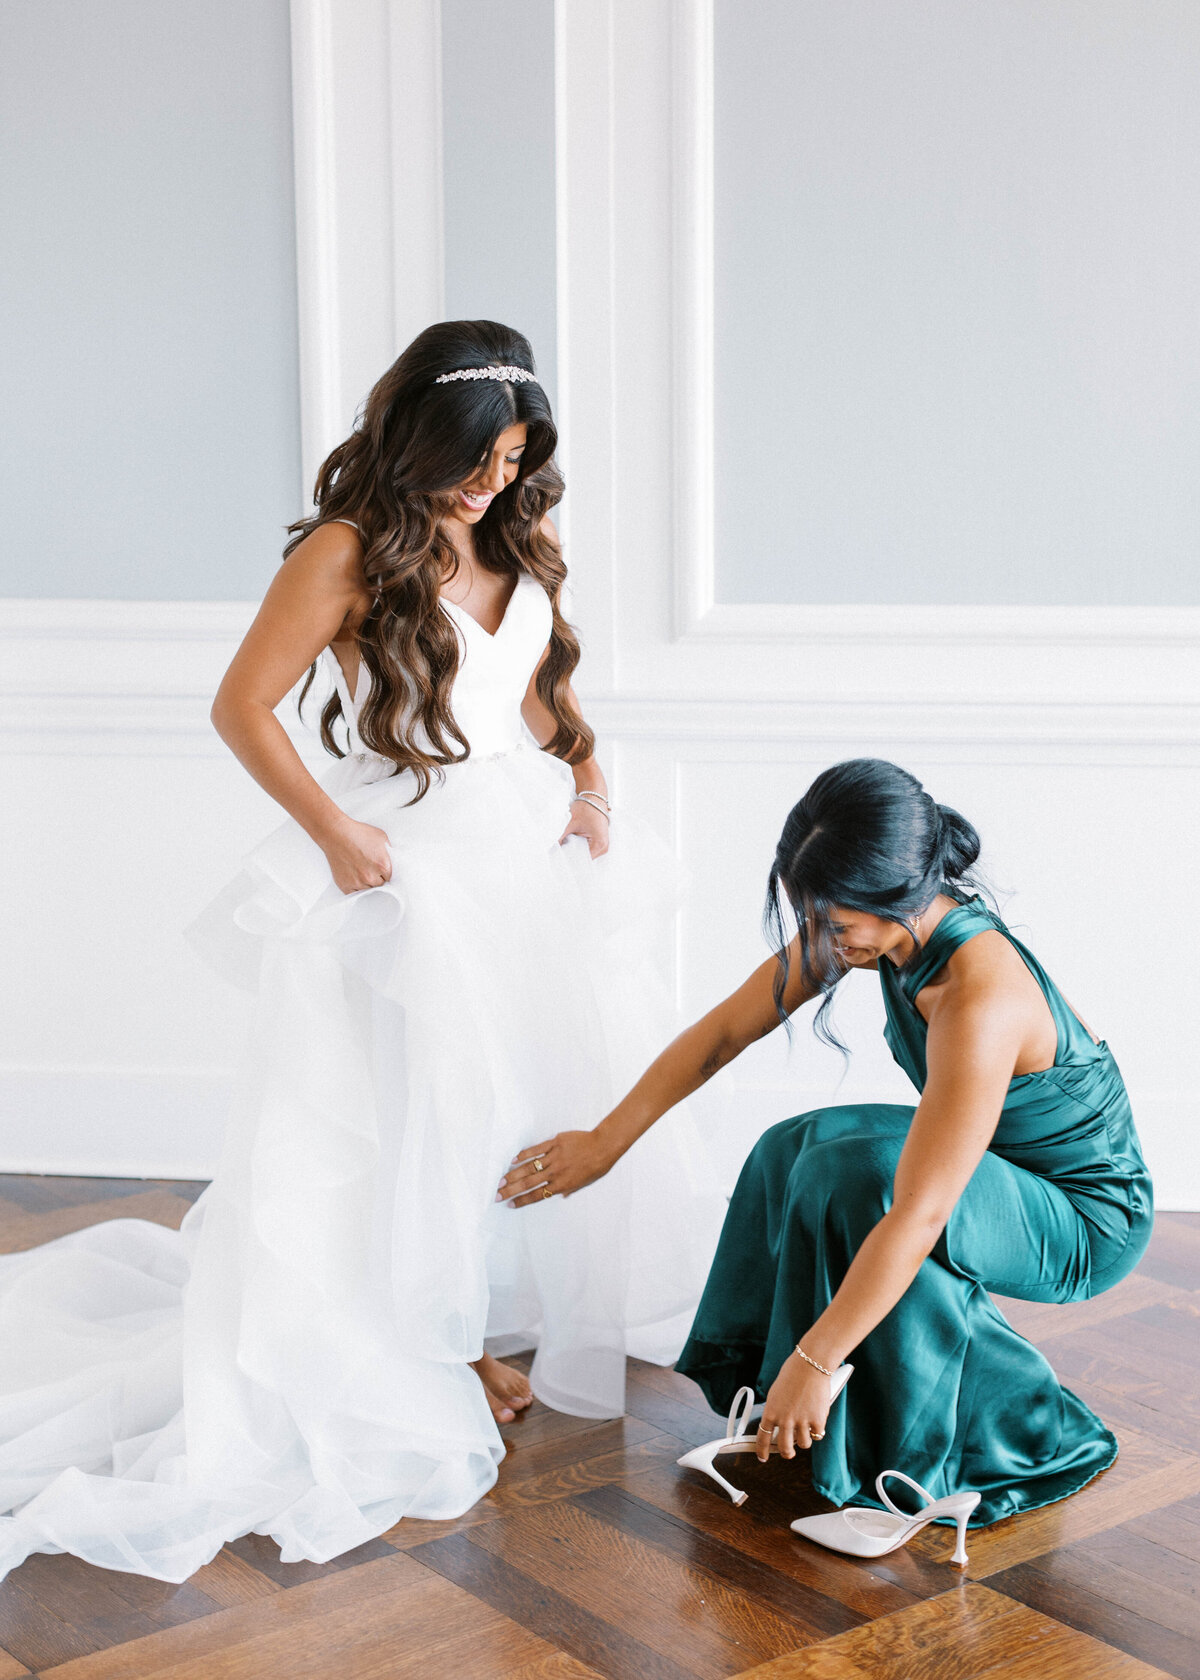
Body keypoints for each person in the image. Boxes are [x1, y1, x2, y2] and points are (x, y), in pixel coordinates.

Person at [0, 320, 723, 1584]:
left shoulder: (515, 540)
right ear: (419, 435)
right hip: (409, 864)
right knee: (405, 1116)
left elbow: (542, 709)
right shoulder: (347, 550)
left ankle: (471, 1324)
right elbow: (240, 705)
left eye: (513, 459)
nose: (493, 482)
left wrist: (594, 786)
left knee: (511, 1107)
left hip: (521, 862)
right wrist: (334, 831)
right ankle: (423, 1350)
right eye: (477, 457)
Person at [500, 757, 1153, 1527]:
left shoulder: (979, 994)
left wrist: (820, 1359)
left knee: (865, 1179)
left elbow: (919, 1212)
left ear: (897, 897)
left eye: (838, 924)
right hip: (1008, 1176)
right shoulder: (883, 927)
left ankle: (1008, 1430)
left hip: (1085, 1221)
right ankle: (777, 1396)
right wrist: (606, 1143)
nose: (829, 942)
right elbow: (721, 1034)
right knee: (792, 1148)